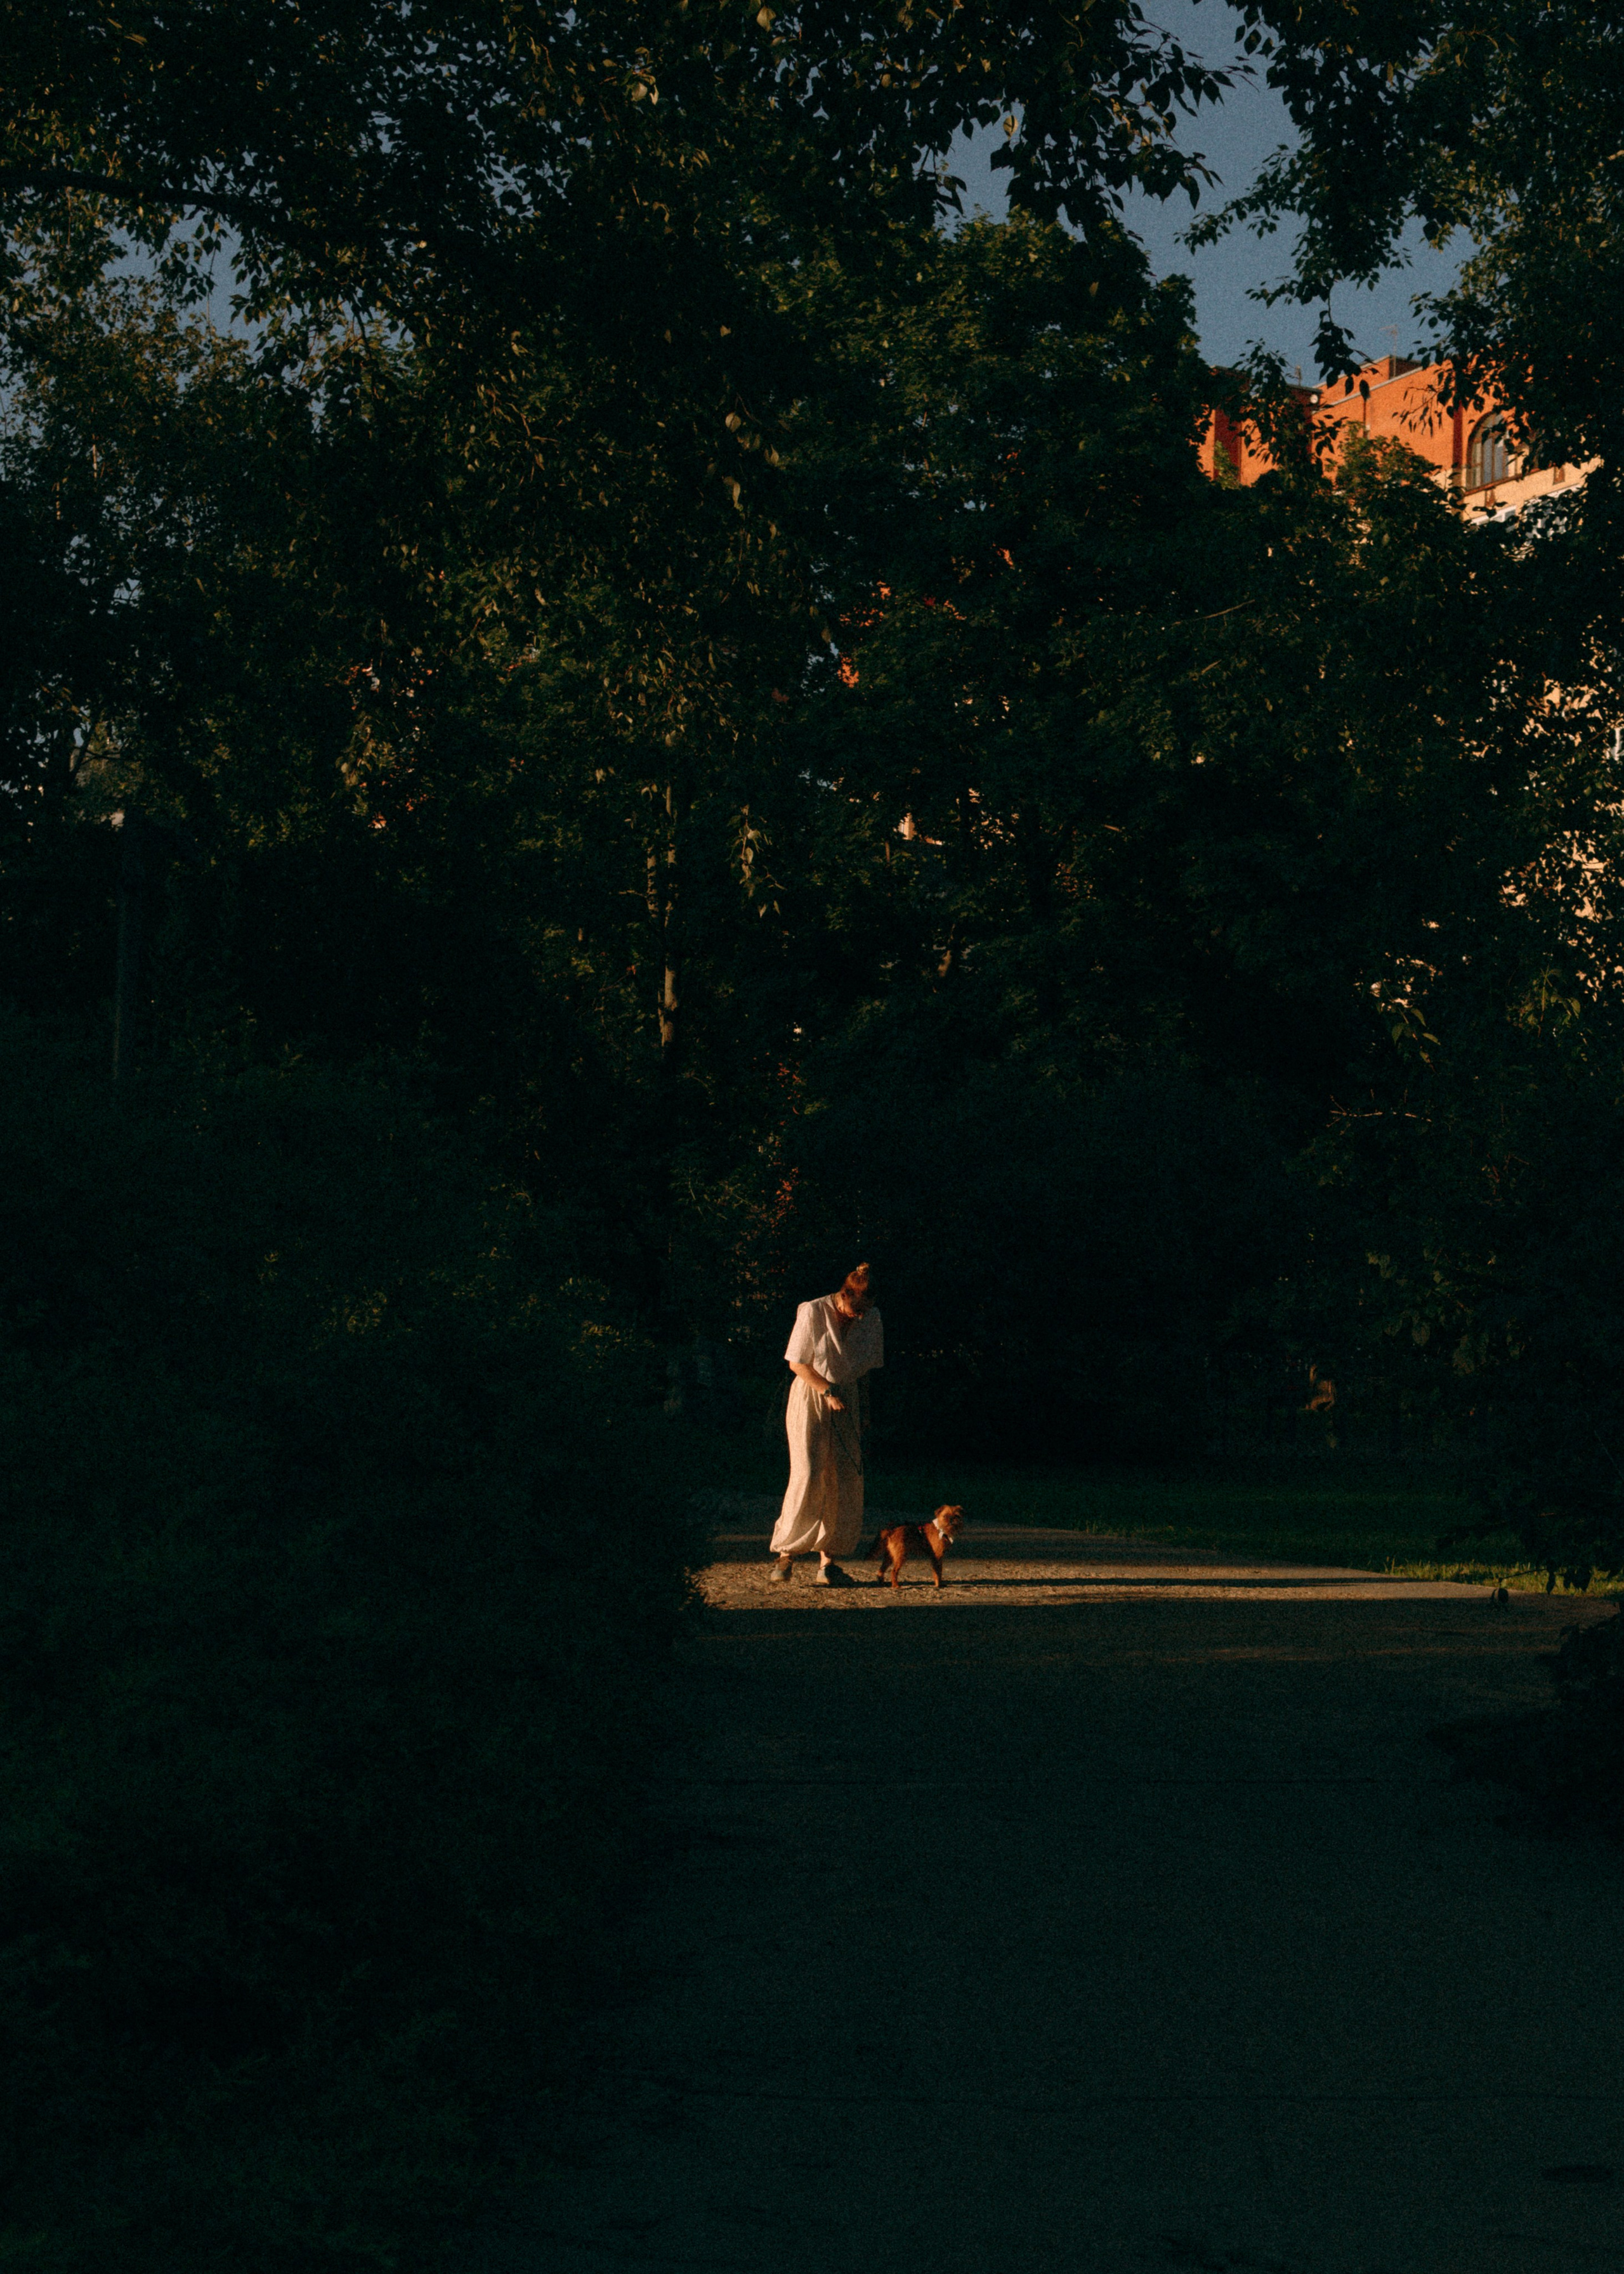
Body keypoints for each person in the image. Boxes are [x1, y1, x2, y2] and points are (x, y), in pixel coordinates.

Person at [769, 1263, 883, 1586]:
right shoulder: (813, 1311)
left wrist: (864, 1412)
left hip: (847, 1399)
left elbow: (864, 1371)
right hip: (812, 1393)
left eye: (866, 1310)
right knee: (808, 1471)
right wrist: (827, 1391)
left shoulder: (871, 1318)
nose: (860, 1316)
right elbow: (797, 1363)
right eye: (856, 1309)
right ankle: (787, 1554)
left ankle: (828, 1562)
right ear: (844, 1295)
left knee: (844, 1477)